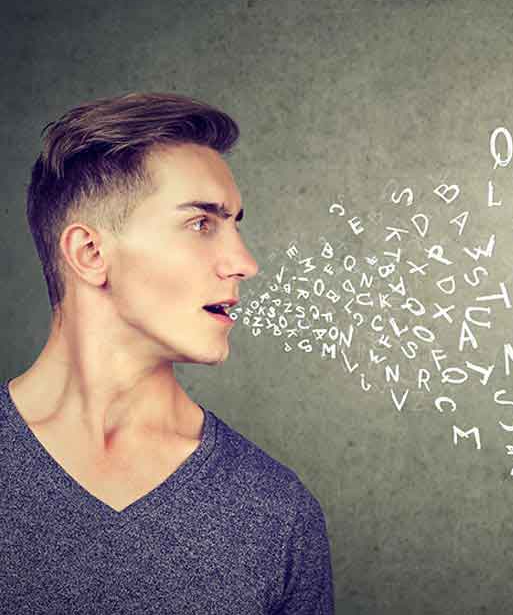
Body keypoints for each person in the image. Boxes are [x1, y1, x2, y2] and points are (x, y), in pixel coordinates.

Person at [0, 93, 335, 613]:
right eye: (202, 224)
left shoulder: (276, 513)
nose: (244, 262)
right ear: (90, 254)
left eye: (235, 225)